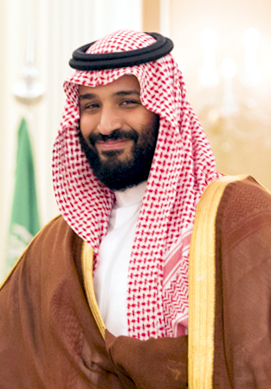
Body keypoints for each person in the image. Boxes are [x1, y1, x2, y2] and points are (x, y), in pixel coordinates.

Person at [0, 29, 271, 389]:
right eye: (91, 106)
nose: (106, 124)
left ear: (165, 107)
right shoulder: (62, 242)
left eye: (127, 101)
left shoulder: (239, 215)